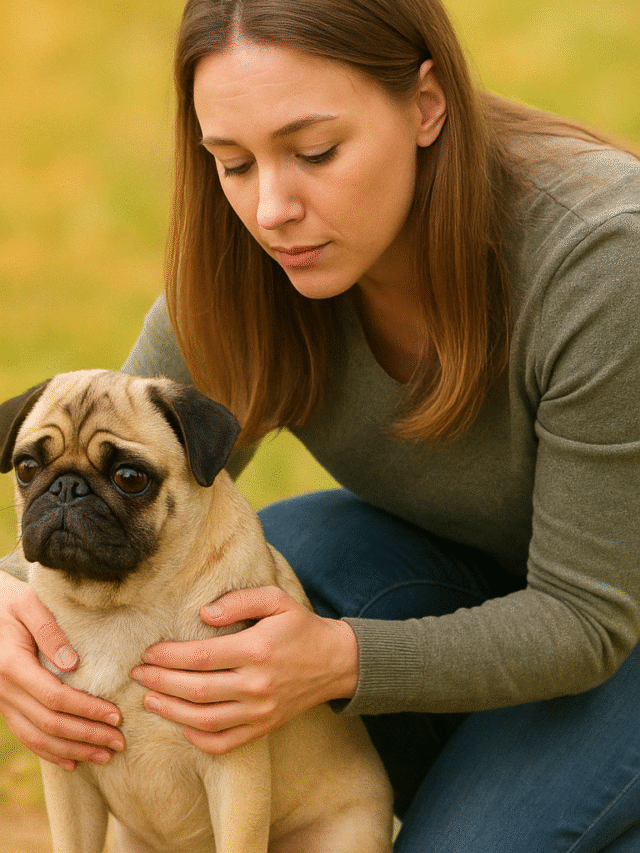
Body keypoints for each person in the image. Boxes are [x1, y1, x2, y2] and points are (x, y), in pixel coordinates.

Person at [1, 0, 640, 848]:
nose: (270, 209)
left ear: (425, 104)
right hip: (505, 588)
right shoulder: (251, 264)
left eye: (315, 153)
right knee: (305, 544)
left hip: (604, 619)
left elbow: (586, 616)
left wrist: (338, 659)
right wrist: (9, 603)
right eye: (231, 163)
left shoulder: (602, 262)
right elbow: (115, 474)